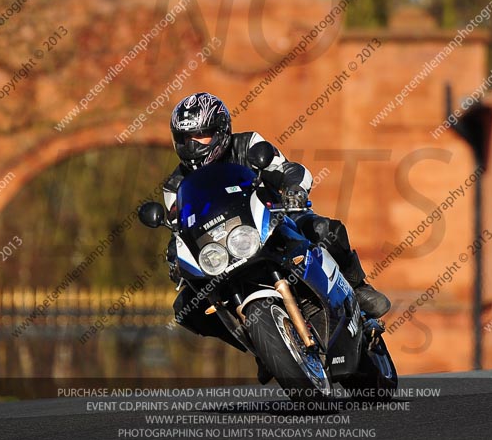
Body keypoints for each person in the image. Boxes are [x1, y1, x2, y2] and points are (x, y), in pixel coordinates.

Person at [162, 92, 390, 379]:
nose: (192, 145)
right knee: (187, 308)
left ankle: (358, 288)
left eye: (201, 136)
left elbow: (289, 169)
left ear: (220, 131)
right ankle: (259, 343)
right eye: (184, 139)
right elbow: (178, 228)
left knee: (326, 230)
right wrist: (174, 255)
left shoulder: (248, 144)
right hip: (222, 249)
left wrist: (294, 187)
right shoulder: (175, 185)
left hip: (275, 220)